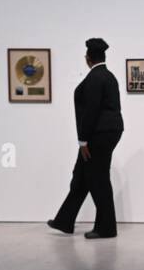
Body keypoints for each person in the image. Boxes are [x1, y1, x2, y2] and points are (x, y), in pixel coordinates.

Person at [48, 37, 123, 239]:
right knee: (81, 175)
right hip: (108, 132)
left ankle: (106, 228)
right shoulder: (108, 76)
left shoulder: (95, 78)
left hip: (97, 135)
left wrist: (83, 141)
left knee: (98, 180)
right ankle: (64, 220)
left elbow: (90, 112)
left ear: (88, 58)